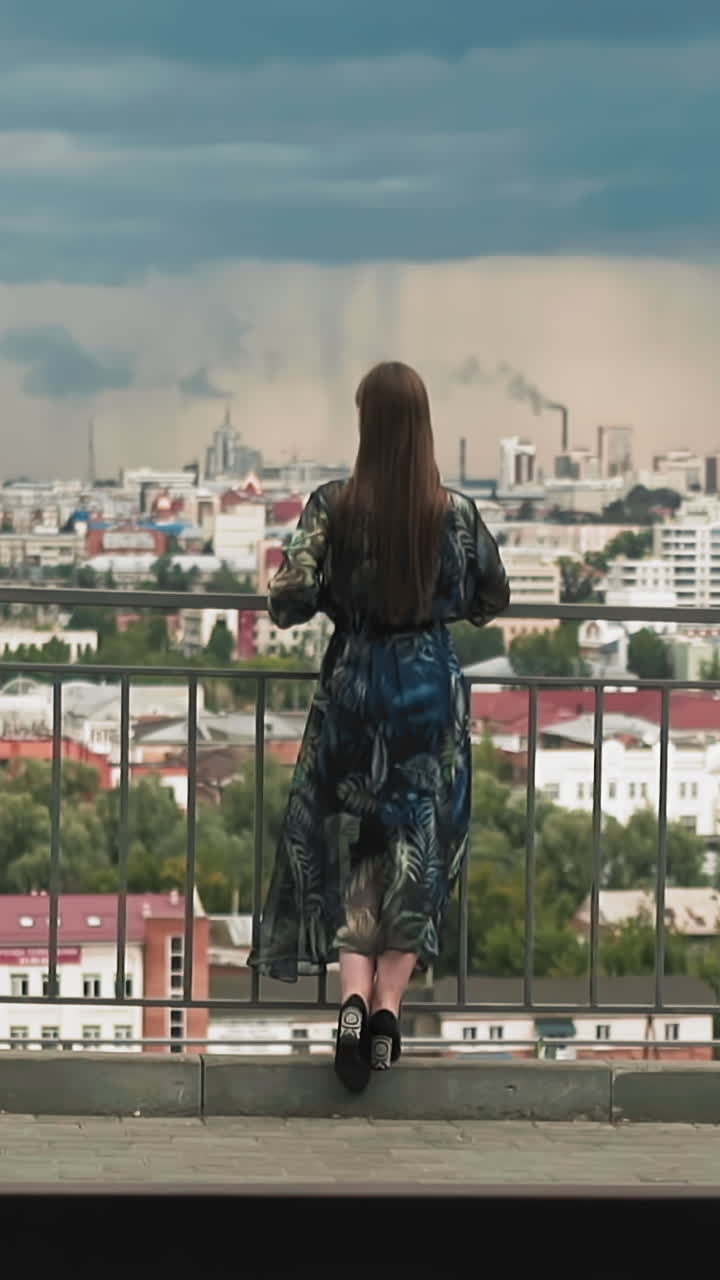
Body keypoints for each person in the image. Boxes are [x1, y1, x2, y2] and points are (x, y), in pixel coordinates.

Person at [248, 361, 510, 1092]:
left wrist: (340, 596)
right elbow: (492, 595)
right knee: (422, 849)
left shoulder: (333, 505)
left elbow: (289, 599)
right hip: (427, 697)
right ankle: (390, 1007)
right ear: (424, 427)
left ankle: (354, 1001)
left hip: (355, 692)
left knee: (353, 845)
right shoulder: (455, 513)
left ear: (366, 425)